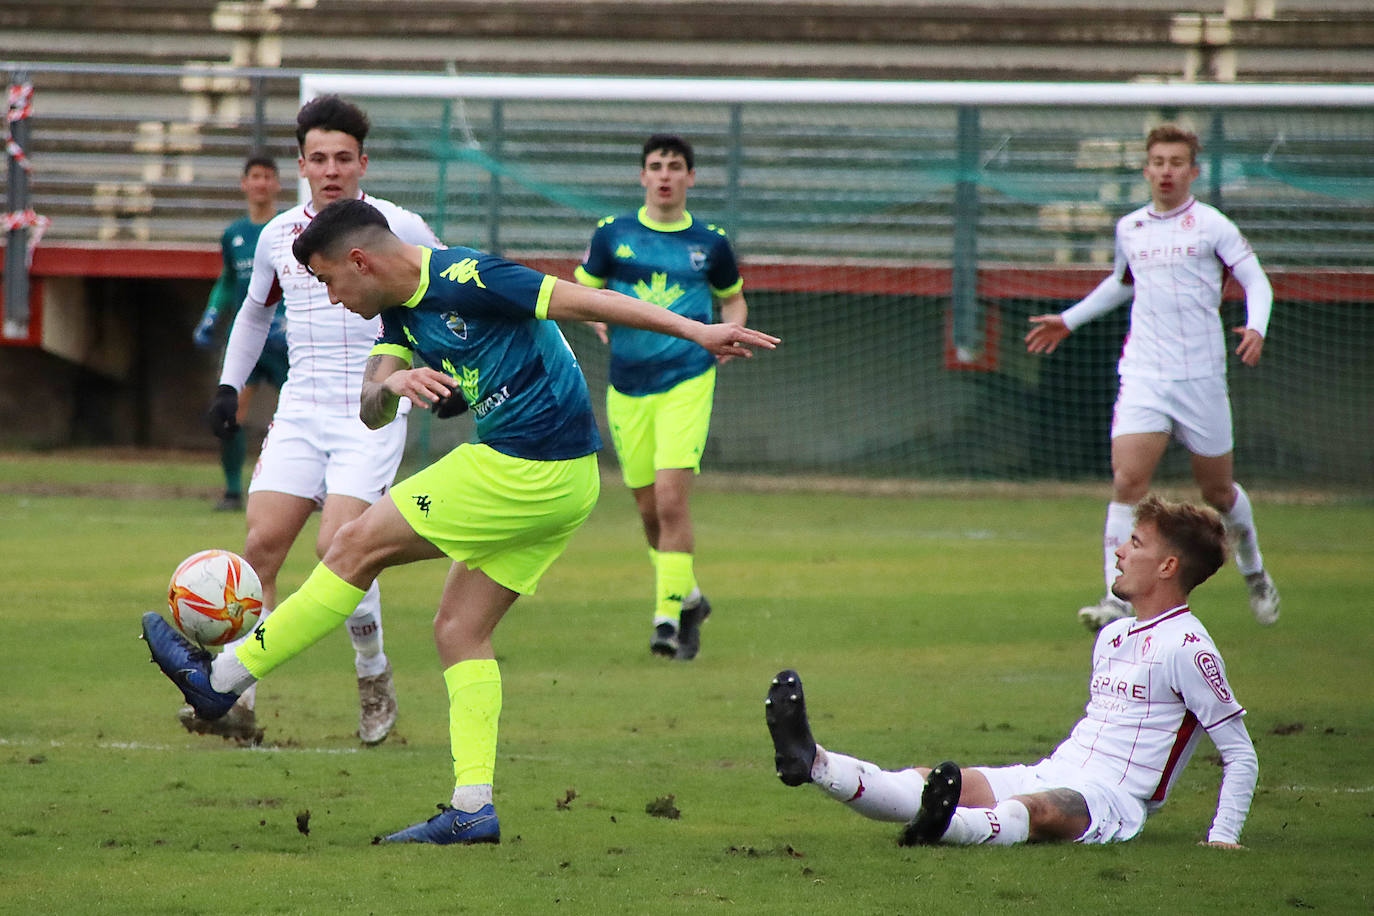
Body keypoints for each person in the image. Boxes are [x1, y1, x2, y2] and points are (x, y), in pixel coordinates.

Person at [143, 197, 778, 844]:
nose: (332, 298)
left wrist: (698, 331)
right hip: (563, 482)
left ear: (360, 260)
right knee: (458, 628)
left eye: (330, 280)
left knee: (352, 547)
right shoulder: (397, 313)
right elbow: (369, 408)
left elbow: (587, 303)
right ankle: (473, 807)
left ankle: (222, 680)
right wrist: (390, 386)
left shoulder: (471, 277)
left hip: (527, 466)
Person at [765, 495, 1258, 850]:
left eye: (1135, 543)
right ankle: (815, 763)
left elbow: (1240, 753)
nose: (1120, 552)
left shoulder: (1190, 648)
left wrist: (1223, 837)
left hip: (1113, 799)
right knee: (924, 780)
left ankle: (942, 828)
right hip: (1054, 768)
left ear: (1169, 565)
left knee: (1033, 810)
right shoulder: (1112, 636)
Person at [185, 95, 442, 745]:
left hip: (374, 408)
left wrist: (451, 370)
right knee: (261, 547)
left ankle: (372, 672)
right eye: (318, 158)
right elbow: (253, 313)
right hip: (300, 409)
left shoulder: (399, 226)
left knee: (338, 548)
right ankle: (238, 698)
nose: (331, 170)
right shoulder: (278, 237)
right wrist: (228, 385)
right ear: (300, 164)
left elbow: (449, 289)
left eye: (343, 159)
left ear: (363, 163)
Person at [1025, 123, 1280, 632]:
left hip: (1201, 376)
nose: (1166, 171)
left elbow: (1256, 279)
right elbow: (1122, 283)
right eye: (1158, 162)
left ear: (1193, 171)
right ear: (1146, 170)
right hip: (1144, 372)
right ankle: (1116, 598)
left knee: (1218, 492)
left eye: (1176, 163)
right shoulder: (1131, 229)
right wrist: (1068, 319)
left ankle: (1255, 573)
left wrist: (1256, 326)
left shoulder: (1212, 226)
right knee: (1127, 481)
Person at [574, 133, 749, 661]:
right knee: (650, 511)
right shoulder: (613, 235)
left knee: (673, 500)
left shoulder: (711, 243)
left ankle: (666, 620)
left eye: (676, 166)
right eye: (656, 165)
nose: (666, 175)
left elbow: (734, 302)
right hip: (627, 386)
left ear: (691, 177)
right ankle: (690, 598)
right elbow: (583, 291)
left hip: (687, 379)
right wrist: (598, 316)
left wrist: (730, 334)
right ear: (642, 176)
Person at [191, 155, 287, 512]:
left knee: (298, 410)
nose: (261, 183)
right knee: (231, 411)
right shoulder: (233, 235)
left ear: (277, 184)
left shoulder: (288, 228)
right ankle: (233, 491)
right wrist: (212, 315)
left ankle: (312, 488)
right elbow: (229, 280)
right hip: (248, 340)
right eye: (255, 177)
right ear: (244, 184)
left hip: (285, 341)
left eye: (268, 177)